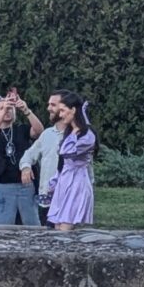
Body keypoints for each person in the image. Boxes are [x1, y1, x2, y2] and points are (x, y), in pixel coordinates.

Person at [0, 91, 44, 226]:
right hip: (1, 185)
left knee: (32, 224)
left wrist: (26, 110)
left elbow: (39, 132)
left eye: (10, 109)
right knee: (0, 228)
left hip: (25, 185)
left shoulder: (21, 129)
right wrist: (2, 110)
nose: (7, 111)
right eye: (2, 109)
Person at [19, 89, 70, 226]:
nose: (48, 108)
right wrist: (25, 168)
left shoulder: (78, 135)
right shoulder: (47, 134)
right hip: (47, 199)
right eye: (49, 104)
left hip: (70, 197)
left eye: (53, 105)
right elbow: (28, 155)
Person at [47, 92, 97, 230]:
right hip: (64, 181)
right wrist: (55, 180)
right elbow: (63, 160)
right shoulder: (70, 133)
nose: (61, 115)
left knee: (66, 226)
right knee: (57, 225)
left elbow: (67, 152)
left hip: (77, 183)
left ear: (73, 110)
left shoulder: (87, 136)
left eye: (63, 110)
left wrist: (75, 131)